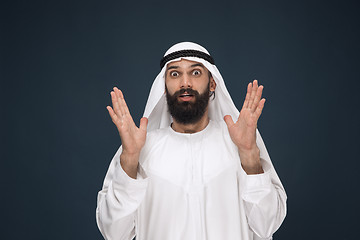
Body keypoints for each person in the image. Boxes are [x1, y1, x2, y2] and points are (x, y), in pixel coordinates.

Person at [96, 42, 287, 240]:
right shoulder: (139, 148)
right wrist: (129, 159)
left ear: (212, 83)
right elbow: (114, 233)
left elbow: (267, 225)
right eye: (175, 74)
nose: (185, 83)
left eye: (195, 73)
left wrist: (248, 154)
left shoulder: (239, 142)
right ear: (163, 85)